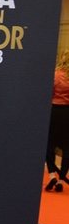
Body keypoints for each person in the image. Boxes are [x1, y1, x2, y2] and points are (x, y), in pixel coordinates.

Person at [44, 50, 69, 192]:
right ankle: (61, 179)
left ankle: (52, 175)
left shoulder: (56, 74)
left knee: (49, 144)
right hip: (67, 113)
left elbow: (48, 93)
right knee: (67, 148)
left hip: (54, 112)